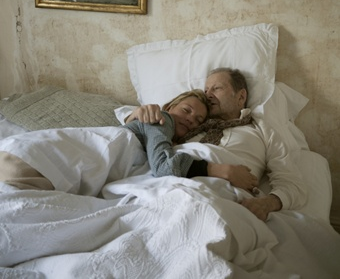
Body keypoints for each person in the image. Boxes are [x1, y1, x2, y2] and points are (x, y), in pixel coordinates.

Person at [121, 68, 308, 221]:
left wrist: (265, 204)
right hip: (165, 187)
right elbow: (144, 138)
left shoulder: (263, 129)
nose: (208, 95)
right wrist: (137, 114)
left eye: (216, 88)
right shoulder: (188, 124)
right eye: (206, 89)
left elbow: (292, 184)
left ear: (240, 96)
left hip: (222, 199)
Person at [0, 89, 258, 195]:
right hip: (36, 159)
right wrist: (218, 169)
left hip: (27, 154)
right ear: (170, 107)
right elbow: (164, 167)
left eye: (198, 120)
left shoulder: (166, 133)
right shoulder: (162, 120)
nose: (191, 120)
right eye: (187, 110)